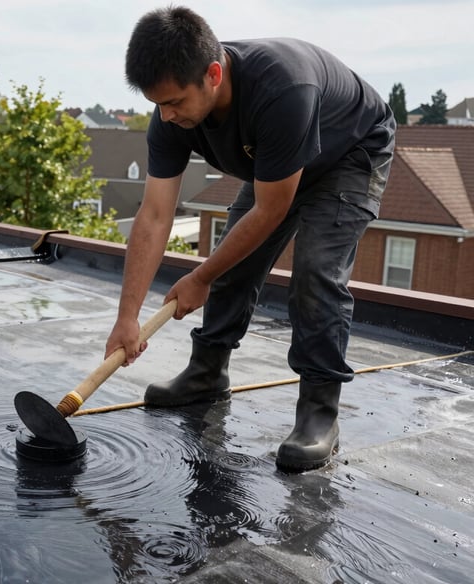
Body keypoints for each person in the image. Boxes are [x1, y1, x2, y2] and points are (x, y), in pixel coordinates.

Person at [105, 6, 395, 472]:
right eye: (157, 104)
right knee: (230, 260)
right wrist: (127, 318)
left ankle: (320, 414)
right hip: (279, 162)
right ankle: (207, 373)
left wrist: (199, 277)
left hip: (351, 152)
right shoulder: (170, 117)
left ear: (213, 74)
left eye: (175, 101)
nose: (167, 114)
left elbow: (271, 210)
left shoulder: (281, 90)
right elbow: (155, 214)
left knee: (316, 273)